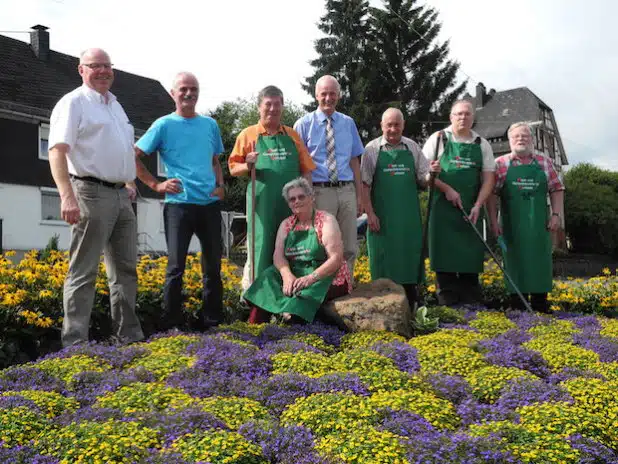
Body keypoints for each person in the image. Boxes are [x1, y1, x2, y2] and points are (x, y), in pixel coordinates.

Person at [48, 48, 144, 347]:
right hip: (89, 192)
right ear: (81, 70)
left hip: (120, 196)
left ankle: (127, 337)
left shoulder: (115, 106)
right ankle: (75, 344)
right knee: (83, 271)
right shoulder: (73, 103)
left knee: (125, 271)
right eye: (95, 66)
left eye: (107, 66)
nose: (103, 71)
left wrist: (128, 181)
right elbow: (57, 150)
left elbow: (124, 149)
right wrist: (67, 196)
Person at [134, 72, 225, 331]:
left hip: (209, 205)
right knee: (176, 268)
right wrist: (155, 184)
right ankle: (172, 325)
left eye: (193, 89)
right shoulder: (163, 125)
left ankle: (212, 322)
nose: (188, 93)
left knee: (213, 268)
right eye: (183, 89)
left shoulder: (210, 125)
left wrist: (220, 185)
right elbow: (134, 155)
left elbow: (215, 160)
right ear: (174, 94)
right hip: (179, 205)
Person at [228, 86, 315, 319]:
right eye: (268, 104)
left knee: (293, 250)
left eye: (277, 104)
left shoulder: (292, 136)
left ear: (282, 107)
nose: (273, 109)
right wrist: (248, 165)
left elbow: (306, 170)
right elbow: (233, 168)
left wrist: (308, 201)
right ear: (260, 107)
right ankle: (259, 304)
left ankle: (287, 304)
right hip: (261, 206)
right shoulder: (248, 135)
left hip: (291, 205)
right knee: (262, 251)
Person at [243, 177, 351, 324]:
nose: (297, 201)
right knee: (266, 279)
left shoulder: (325, 220)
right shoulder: (287, 224)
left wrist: (310, 278)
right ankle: (254, 328)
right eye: (292, 199)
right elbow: (278, 255)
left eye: (301, 197)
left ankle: (294, 335)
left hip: (325, 275)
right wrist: (287, 275)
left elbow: (336, 259)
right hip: (296, 272)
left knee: (301, 296)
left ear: (311, 198)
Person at [361, 108, 440, 308]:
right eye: (389, 125)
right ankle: (382, 306)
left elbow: (424, 180)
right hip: (382, 219)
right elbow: (364, 185)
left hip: (408, 219)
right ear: (382, 126)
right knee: (383, 262)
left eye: (397, 124)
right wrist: (369, 213)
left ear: (403, 125)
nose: (393, 129)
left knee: (410, 261)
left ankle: (413, 305)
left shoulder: (412, 147)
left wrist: (432, 174)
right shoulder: (371, 149)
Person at [422, 99, 496, 307]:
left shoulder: (482, 144)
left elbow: (489, 179)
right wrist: (445, 188)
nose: (463, 117)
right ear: (451, 117)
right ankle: (447, 303)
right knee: (443, 256)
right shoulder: (437, 139)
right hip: (442, 209)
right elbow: (423, 175)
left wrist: (478, 205)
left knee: (469, 256)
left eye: (467, 114)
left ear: (473, 118)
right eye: (458, 114)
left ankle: (472, 304)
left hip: (470, 210)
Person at [487, 122, 565, 313]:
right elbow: (491, 194)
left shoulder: (544, 162)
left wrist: (556, 215)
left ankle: (540, 303)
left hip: (540, 224)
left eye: (525, 136)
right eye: (516, 137)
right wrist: (493, 220)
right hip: (512, 225)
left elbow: (557, 189)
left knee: (540, 260)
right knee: (514, 260)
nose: (520, 139)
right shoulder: (501, 164)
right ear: (510, 140)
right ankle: (517, 305)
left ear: (531, 139)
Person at [294, 75, 364, 279]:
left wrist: (359, 196)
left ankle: (346, 286)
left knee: (349, 244)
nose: (328, 98)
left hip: (346, 190)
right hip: (319, 191)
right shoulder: (304, 124)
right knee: (323, 244)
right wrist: (306, 198)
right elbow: (300, 165)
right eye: (324, 93)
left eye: (332, 93)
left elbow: (354, 162)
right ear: (316, 95)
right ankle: (323, 291)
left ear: (339, 96)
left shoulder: (348, 123)